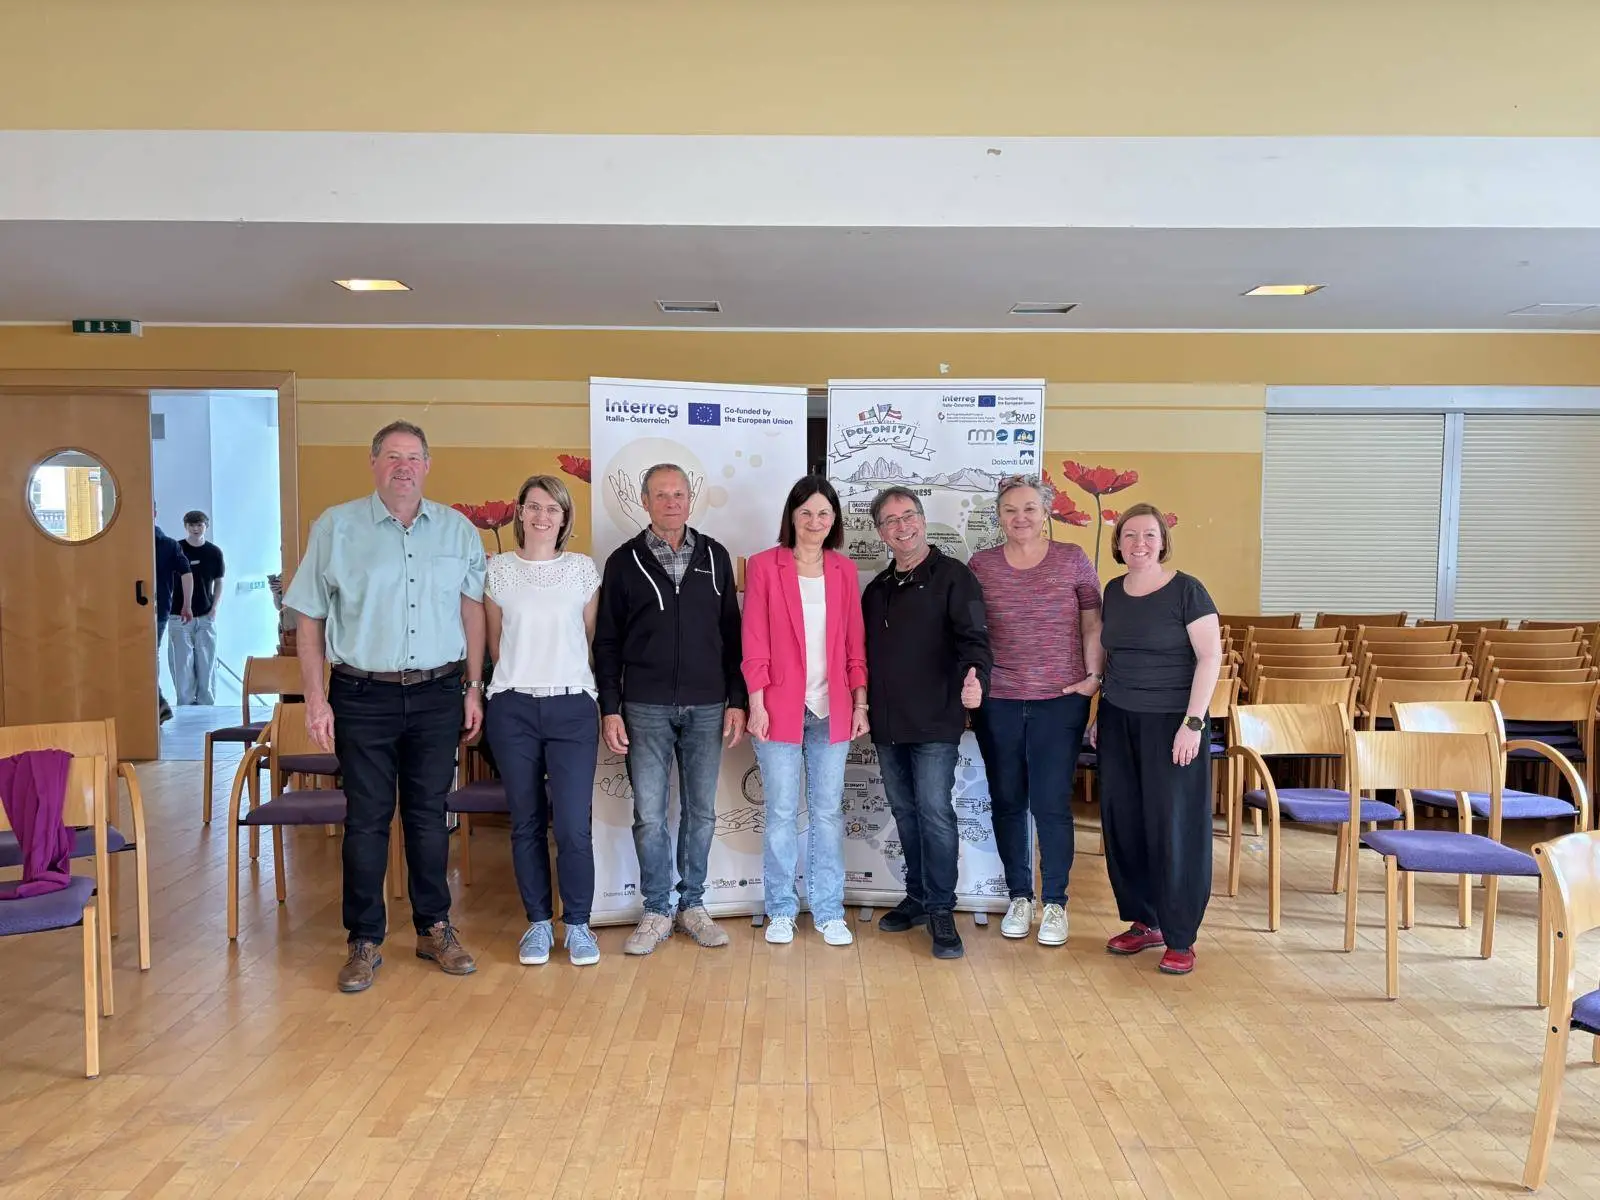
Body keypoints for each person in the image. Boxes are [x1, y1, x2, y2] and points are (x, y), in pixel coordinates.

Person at [285, 420, 487, 993]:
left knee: (429, 816)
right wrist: (316, 698)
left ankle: (434, 927)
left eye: (414, 457)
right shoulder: (336, 527)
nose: (404, 466)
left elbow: (472, 612)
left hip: (438, 692)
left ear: (428, 466)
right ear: (373, 464)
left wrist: (474, 686)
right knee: (367, 820)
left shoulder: (457, 530)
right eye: (393, 456)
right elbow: (309, 615)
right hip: (362, 694)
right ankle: (364, 940)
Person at [593, 463, 748, 956]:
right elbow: (608, 643)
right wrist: (610, 708)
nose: (672, 502)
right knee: (650, 815)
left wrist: (737, 700)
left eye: (679, 494)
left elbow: (733, 636)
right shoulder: (623, 561)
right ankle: (657, 909)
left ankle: (693, 905)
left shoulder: (715, 556)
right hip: (644, 706)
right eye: (661, 495)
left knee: (701, 812)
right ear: (645, 501)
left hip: (707, 705)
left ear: (690, 499)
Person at [1089, 503, 1223, 976]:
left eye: (1148, 535)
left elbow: (1210, 658)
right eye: (1129, 536)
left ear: (1163, 541)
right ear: (1118, 544)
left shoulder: (1187, 590)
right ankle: (1146, 921)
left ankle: (1181, 934)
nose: (1138, 544)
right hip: (1119, 717)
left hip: (1173, 722)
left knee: (1174, 827)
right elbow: (1110, 657)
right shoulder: (1114, 590)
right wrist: (1096, 714)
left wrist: (1193, 722)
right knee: (1125, 824)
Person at [969, 475, 1103, 946]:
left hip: (1060, 698)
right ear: (998, 516)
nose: (1020, 517)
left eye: (1029, 508)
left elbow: (1092, 620)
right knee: (1007, 801)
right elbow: (970, 631)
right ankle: (1020, 896)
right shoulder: (982, 564)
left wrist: (1092, 679)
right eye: (1010, 510)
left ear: (1045, 513)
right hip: (999, 700)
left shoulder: (1072, 559)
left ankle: (1056, 904)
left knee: (1050, 804)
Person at [861, 486, 992, 959]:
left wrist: (977, 679)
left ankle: (940, 907)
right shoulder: (875, 591)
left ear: (922, 518)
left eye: (909, 515)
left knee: (936, 814)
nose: (903, 526)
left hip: (936, 719)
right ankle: (916, 897)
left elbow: (975, 640)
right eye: (891, 520)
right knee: (905, 813)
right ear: (880, 532)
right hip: (888, 723)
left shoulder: (956, 577)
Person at [742, 475, 869, 947]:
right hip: (777, 708)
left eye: (824, 514)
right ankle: (779, 908)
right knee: (778, 813)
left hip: (831, 708)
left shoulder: (843, 570)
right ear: (791, 517)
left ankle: (829, 908)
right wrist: (756, 701)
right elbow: (753, 638)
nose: (815, 522)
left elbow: (855, 641)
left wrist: (860, 701)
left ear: (834, 520)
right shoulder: (764, 566)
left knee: (827, 814)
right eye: (806, 513)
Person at [483, 474, 603, 969]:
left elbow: (589, 640)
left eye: (552, 509)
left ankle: (577, 924)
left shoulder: (582, 571)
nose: (542, 516)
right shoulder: (498, 571)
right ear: (519, 512)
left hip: (572, 707)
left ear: (564, 518)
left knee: (574, 824)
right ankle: (537, 924)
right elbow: (495, 644)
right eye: (534, 506)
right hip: (513, 707)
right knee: (526, 822)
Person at [168, 509, 225, 706]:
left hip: (205, 615)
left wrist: (215, 607)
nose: (195, 528)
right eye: (191, 525)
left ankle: (207, 708)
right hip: (179, 615)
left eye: (199, 525)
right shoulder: (176, 549)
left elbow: (219, 582)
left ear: (205, 527)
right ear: (186, 527)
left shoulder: (214, 552)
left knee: (207, 664)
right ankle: (184, 706)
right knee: (182, 665)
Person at [153, 506, 193, 724]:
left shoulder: (167, 544)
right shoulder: (168, 544)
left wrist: (187, 605)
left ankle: (158, 704)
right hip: (149, 608)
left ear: (154, 513)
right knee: (147, 657)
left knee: (148, 657)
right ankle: (158, 704)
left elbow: (186, 573)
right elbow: (186, 573)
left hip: (157, 610)